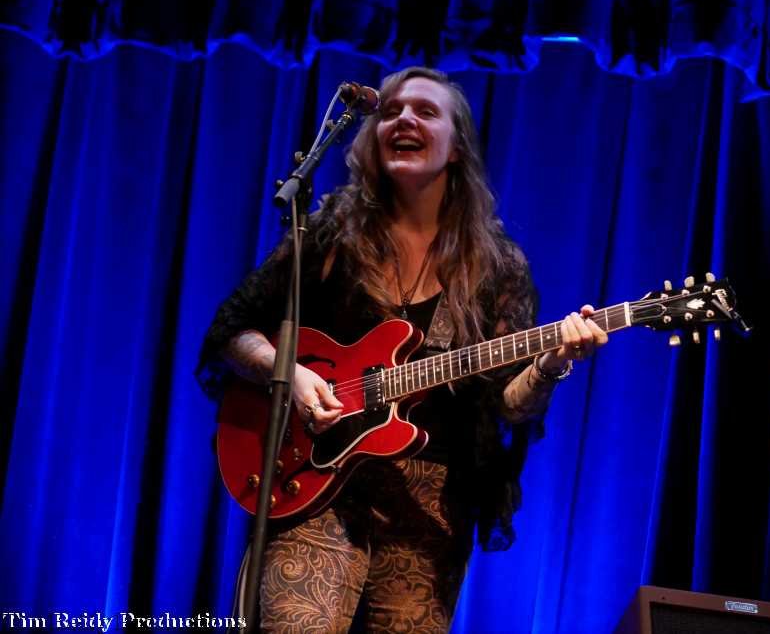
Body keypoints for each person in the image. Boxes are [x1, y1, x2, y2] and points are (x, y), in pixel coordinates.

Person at [197, 66, 608, 633]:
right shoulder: (328, 235)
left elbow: (509, 404)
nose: (403, 119)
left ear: (457, 148)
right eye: (390, 111)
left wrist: (552, 363)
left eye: (425, 111)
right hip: (314, 483)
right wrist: (286, 371)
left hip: (430, 501)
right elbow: (233, 329)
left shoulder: (497, 267)